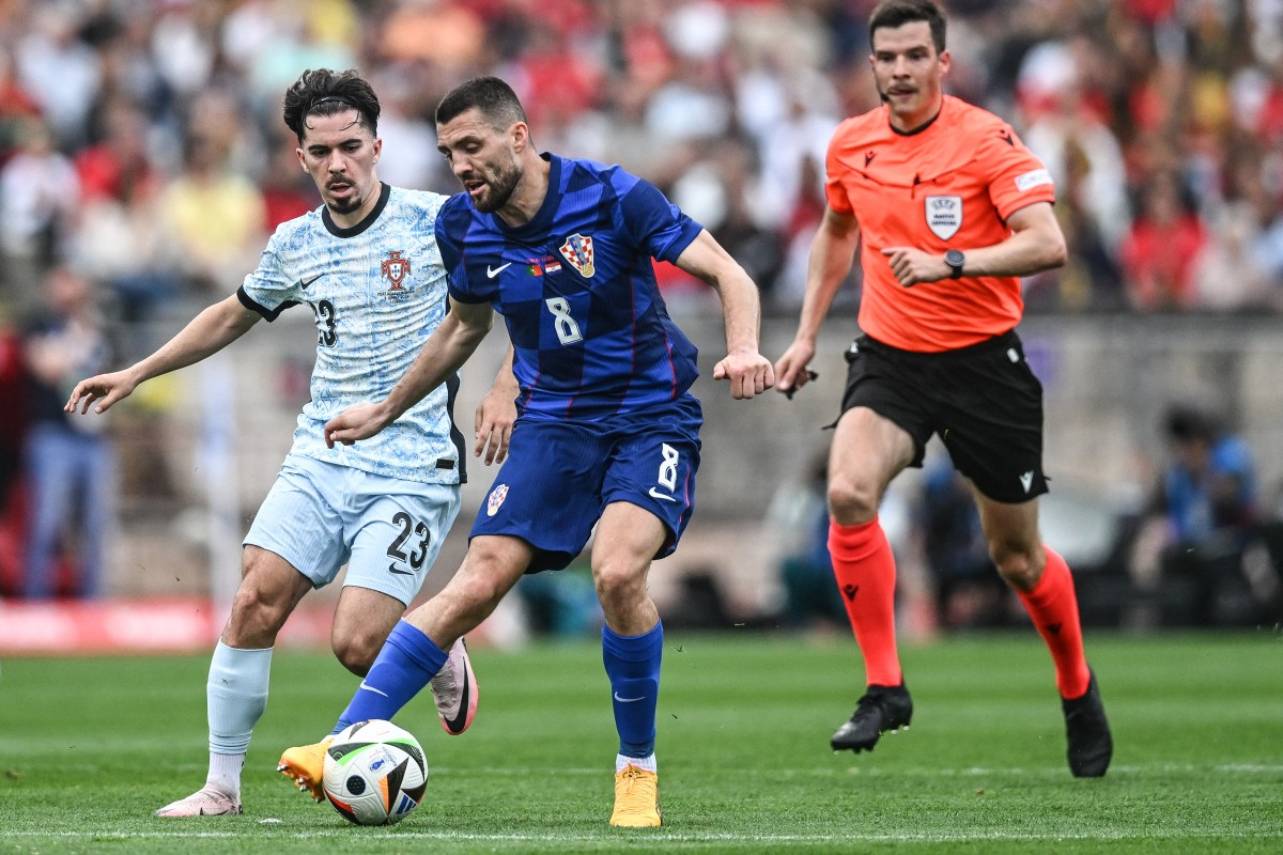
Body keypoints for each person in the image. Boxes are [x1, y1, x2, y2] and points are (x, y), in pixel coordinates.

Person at [277, 76, 773, 828]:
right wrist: (386, 407)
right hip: (554, 426)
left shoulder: (610, 196)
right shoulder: (463, 227)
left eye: (472, 146)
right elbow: (463, 328)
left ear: (518, 135)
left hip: (649, 419)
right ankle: (338, 740)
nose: (460, 166)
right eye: (448, 152)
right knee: (477, 579)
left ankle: (636, 771)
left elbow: (727, 271)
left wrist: (743, 348)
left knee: (616, 571)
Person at [65, 69, 517, 817]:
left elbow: (521, 291)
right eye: (321, 151)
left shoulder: (439, 221)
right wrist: (138, 370)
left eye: (351, 147)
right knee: (253, 600)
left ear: (377, 147)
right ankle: (221, 786)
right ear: (300, 157)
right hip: (322, 452)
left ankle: (435, 643)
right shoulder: (295, 242)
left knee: (356, 643)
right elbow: (233, 313)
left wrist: (505, 385)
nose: (338, 164)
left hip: (412, 462)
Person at [772, 0, 1112, 778]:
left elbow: (1047, 243)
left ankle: (1075, 683)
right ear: (870, 65)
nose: (899, 70)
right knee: (847, 491)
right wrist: (803, 334)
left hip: (984, 364)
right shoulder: (849, 144)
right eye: (886, 57)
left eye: (914, 56)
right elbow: (836, 230)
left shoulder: (986, 140)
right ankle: (885, 686)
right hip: (891, 358)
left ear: (942, 62)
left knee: (1016, 558)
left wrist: (952, 261)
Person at [22, 266, 113, 599]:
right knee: (46, 523)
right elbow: (45, 367)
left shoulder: (97, 325)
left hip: (93, 438)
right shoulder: (39, 324)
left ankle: (92, 604)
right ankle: (36, 603)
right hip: (52, 435)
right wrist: (78, 347)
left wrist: (79, 343)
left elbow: (110, 369)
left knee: (96, 526)